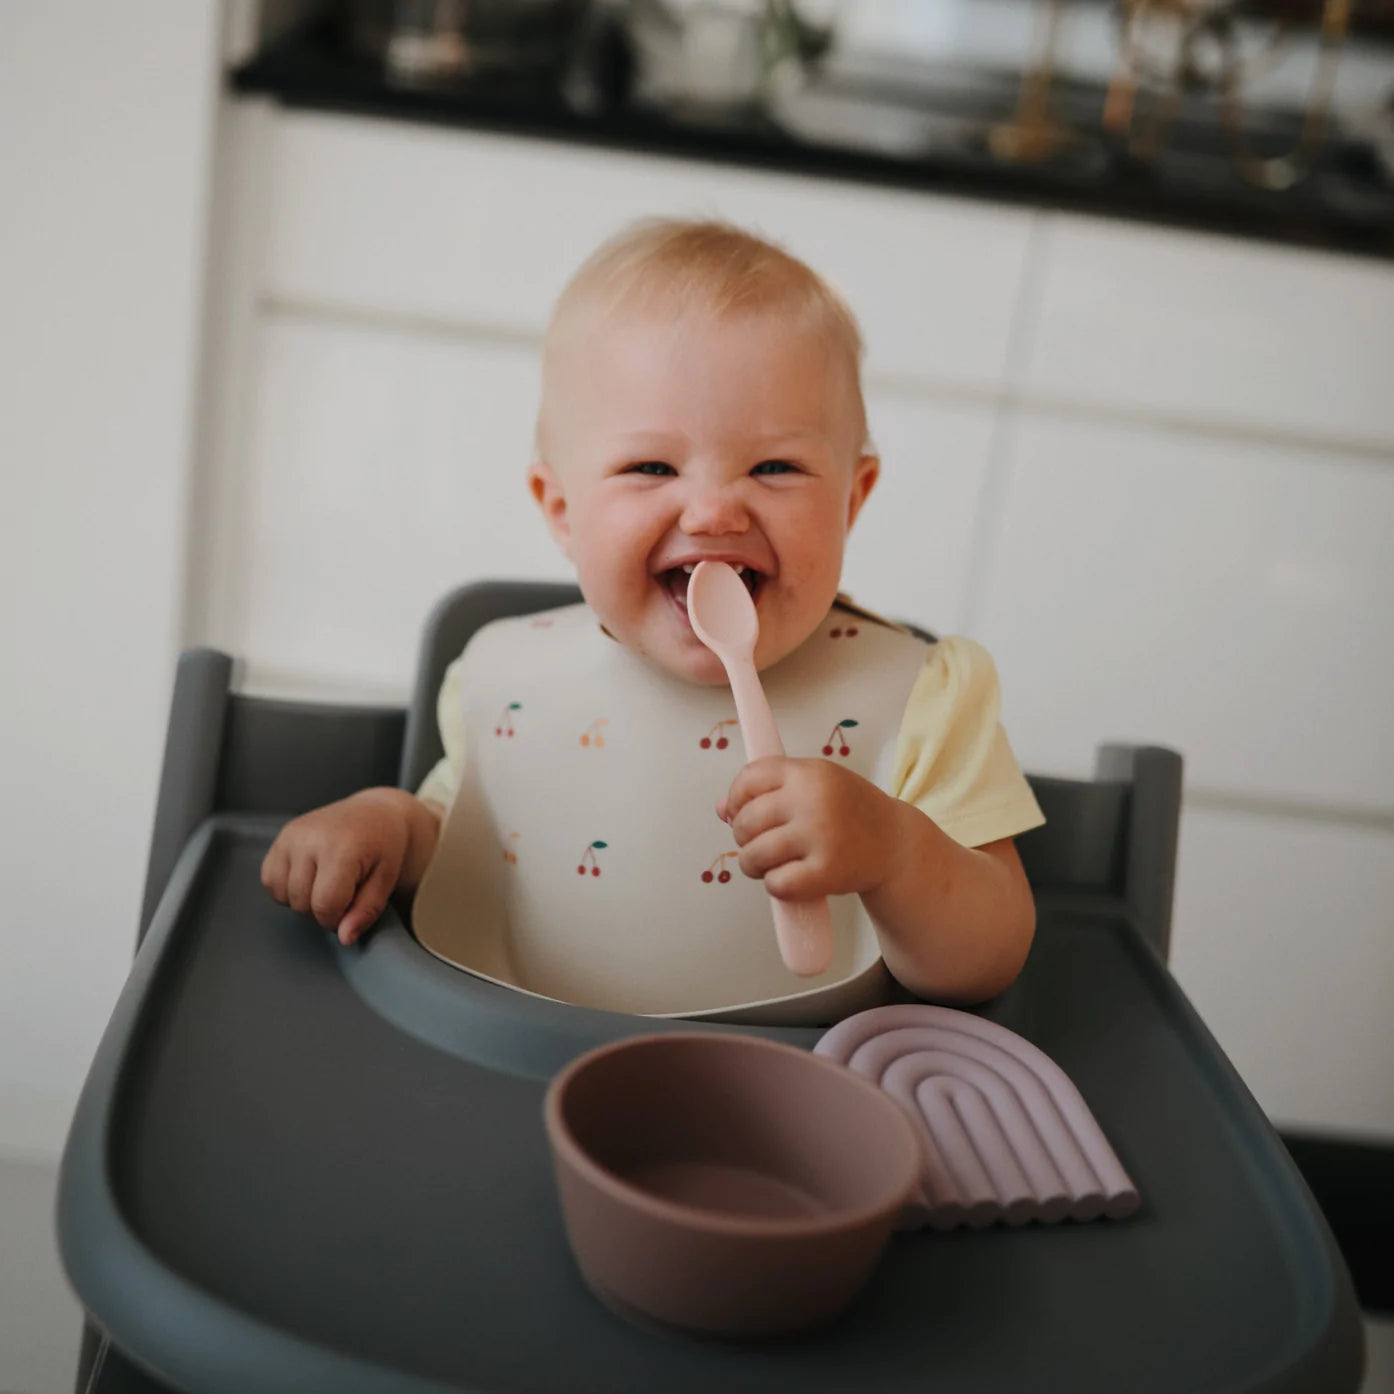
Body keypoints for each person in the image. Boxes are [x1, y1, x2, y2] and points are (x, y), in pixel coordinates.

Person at [261, 219, 1044, 1017]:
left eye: (774, 466)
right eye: (651, 467)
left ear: (853, 498)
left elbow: (987, 961)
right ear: (561, 509)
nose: (709, 511)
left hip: (799, 1089)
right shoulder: (506, 678)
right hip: (511, 1061)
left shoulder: (920, 699)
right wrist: (389, 828)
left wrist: (895, 852)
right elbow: (472, 854)